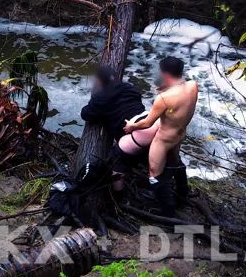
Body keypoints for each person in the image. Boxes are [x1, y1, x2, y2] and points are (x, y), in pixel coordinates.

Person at [123, 56, 198, 216]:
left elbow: (147, 123)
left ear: (166, 74)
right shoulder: (192, 86)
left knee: (154, 173)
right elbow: (178, 104)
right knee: (175, 162)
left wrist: (131, 126)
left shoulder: (164, 98)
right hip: (179, 134)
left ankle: (168, 211)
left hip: (163, 140)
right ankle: (183, 192)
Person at [80, 65, 158, 193]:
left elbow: (86, 114)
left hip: (135, 135)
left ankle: (118, 194)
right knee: (150, 157)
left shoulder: (100, 97)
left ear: (99, 81)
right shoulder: (130, 88)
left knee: (116, 163)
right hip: (152, 123)